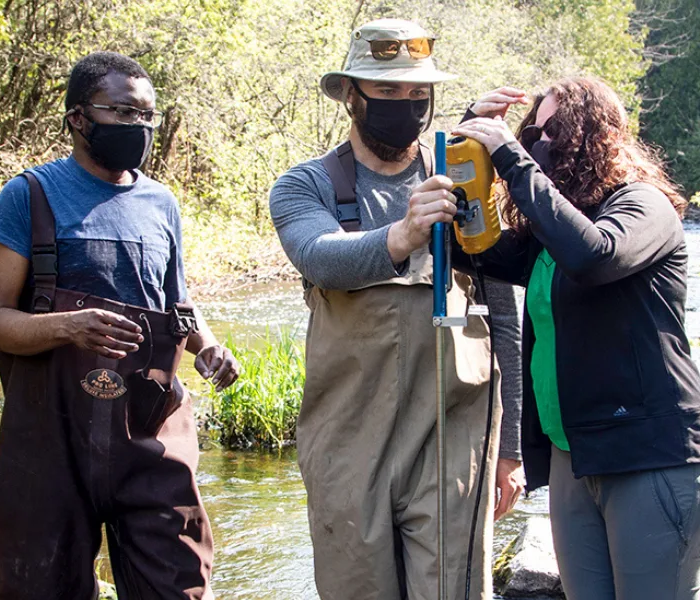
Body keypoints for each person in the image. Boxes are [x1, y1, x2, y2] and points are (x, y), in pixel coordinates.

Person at [266, 19, 525, 600]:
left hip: (454, 439)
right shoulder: (304, 185)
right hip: (347, 446)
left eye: (417, 95)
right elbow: (320, 257)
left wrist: (509, 449)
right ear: (351, 95)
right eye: (386, 92)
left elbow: (504, 317)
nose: (404, 106)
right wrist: (406, 233)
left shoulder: (463, 178)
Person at [0, 51, 244, 600]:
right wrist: (68, 327)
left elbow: (178, 304)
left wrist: (208, 346)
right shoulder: (27, 196)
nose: (139, 128)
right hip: (51, 443)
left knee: (180, 585)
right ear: (79, 118)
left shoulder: (161, 203)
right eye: (123, 114)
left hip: (149, 432)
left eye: (147, 117)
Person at [449, 76, 700, 600]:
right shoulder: (550, 236)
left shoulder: (643, 207)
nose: (537, 145)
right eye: (531, 135)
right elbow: (473, 248)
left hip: (651, 458)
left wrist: (511, 155)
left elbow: (595, 257)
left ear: (591, 139)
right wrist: (470, 140)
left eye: (552, 132)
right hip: (573, 457)